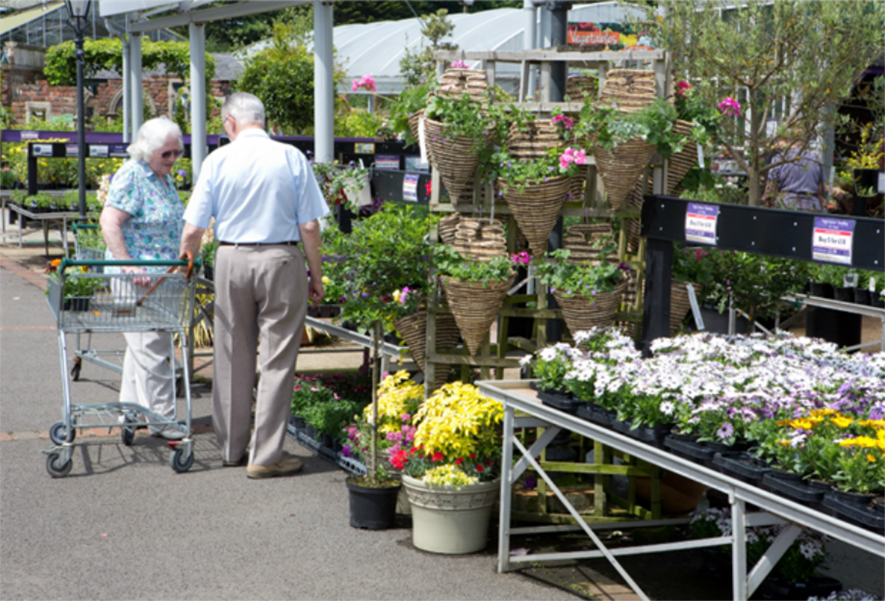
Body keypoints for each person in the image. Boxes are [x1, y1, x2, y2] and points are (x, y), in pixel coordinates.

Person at [179, 92, 328, 478]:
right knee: (277, 357)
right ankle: (265, 454)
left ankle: (231, 447)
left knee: (231, 352)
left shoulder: (217, 159)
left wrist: (186, 262)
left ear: (230, 122)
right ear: (263, 120)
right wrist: (316, 275)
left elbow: (194, 228)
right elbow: (310, 225)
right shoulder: (291, 157)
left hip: (231, 258)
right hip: (281, 257)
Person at [100, 116, 186, 441]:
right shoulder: (134, 174)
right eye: (166, 154)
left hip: (160, 280)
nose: (173, 159)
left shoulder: (160, 176)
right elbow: (109, 222)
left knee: (142, 346)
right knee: (152, 348)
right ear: (147, 150)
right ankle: (163, 422)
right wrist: (129, 265)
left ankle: (130, 412)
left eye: (177, 152)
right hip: (138, 281)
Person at [762, 138, 827, 212]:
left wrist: (764, 202)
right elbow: (821, 191)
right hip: (811, 207)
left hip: (787, 206)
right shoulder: (816, 158)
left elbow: (770, 190)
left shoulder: (780, 158)